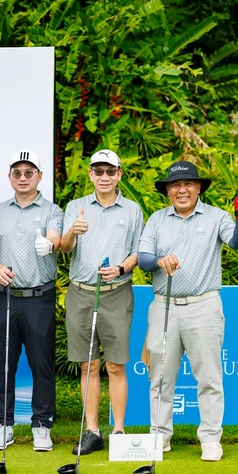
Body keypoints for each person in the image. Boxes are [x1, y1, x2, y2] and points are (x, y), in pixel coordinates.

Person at [137, 160, 238, 462]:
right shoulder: (157, 219)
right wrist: (160, 260)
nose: (182, 189)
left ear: (199, 187)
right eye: (175, 185)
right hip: (164, 306)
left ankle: (211, 439)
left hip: (204, 305)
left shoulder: (216, 216)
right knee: (160, 376)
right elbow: (144, 258)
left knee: (209, 377)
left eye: (188, 184)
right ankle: (160, 435)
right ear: (168, 191)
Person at [0, 151, 64, 451]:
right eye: (17, 173)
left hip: (39, 296)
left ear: (39, 176)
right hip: (5, 298)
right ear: (10, 177)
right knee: (3, 364)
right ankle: (3, 425)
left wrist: (49, 243)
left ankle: (41, 425)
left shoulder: (53, 210)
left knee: (41, 364)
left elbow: (55, 237)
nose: (23, 177)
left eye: (29, 172)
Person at [62, 149, 144, 454]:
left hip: (117, 292)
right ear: (91, 175)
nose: (105, 177)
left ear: (119, 174)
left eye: (110, 171)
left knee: (116, 366)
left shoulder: (132, 210)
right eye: (99, 171)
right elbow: (65, 248)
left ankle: (119, 431)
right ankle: (93, 430)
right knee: (88, 365)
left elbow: (139, 251)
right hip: (81, 291)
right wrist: (73, 231)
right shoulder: (76, 207)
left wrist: (122, 267)